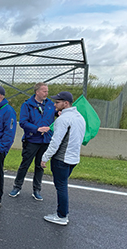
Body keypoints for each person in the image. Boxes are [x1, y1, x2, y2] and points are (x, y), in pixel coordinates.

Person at [41, 91, 86, 226]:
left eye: (57, 102)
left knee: (61, 187)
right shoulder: (80, 117)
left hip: (61, 159)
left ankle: (61, 215)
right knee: (62, 186)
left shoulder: (63, 119)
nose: (55, 104)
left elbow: (55, 142)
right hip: (73, 158)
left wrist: (45, 157)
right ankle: (62, 213)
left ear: (66, 103)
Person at [9, 83, 55, 201]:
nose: (46, 93)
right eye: (44, 91)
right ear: (37, 92)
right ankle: (17, 187)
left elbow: (55, 113)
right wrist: (37, 129)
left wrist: (59, 113)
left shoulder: (50, 104)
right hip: (32, 140)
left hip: (46, 140)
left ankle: (37, 189)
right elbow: (23, 122)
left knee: (40, 166)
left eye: (47, 91)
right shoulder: (27, 105)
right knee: (25, 164)